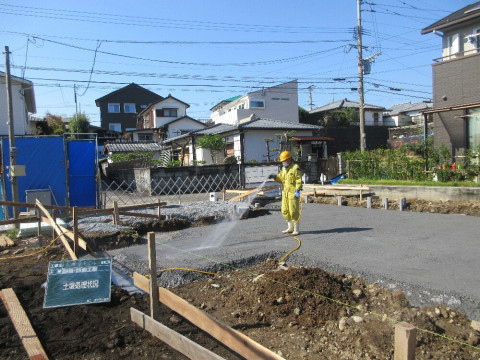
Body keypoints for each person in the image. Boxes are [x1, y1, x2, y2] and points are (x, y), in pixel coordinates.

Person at [268, 150, 302, 235]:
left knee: (293, 211)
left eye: (284, 161)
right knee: (285, 210)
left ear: (289, 159)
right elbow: (281, 178)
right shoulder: (283, 169)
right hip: (285, 193)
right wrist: (275, 177)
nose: (283, 163)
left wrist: (297, 190)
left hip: (292, 192)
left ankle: (296, 229)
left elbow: (298, 180)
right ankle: (290, 228)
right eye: (282, 161)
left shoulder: (295, 168)